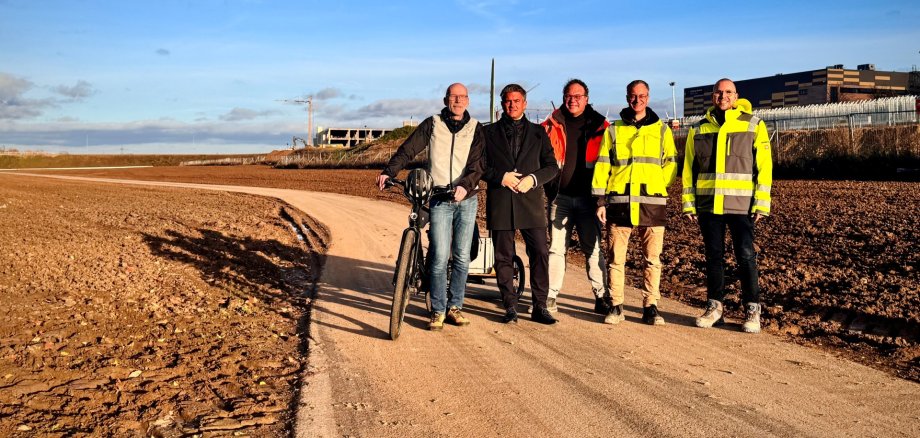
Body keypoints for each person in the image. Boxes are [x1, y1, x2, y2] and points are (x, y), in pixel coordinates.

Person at [377, 83, 484, 331]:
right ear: (446, 99)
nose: (457, 101)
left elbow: (479, 164)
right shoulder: (432, 123)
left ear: (467, 100)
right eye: (453, 97)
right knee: (437, 257)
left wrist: (465, 186)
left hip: (466, 199)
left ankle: (455, 307)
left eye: (462, 97)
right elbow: (408, 149)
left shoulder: (475, 129)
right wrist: (389, 171)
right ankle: (437, 310)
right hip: (439, 199)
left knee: (461, 257)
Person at [682, 78, 773, 334]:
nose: (723, 96)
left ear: (736, 96)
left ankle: (753, 310)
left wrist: (761, 203)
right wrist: (689, 204)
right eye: (719, 92)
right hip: (709, 206)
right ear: (713, 96)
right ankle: (715, 308)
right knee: (713, 258)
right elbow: (689, 169)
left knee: (746, 257)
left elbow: (764, 167)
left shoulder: (754, 125)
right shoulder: (698, 129)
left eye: (728, 92)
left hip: (741, 207)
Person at [592, 80, 677, 325]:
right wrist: (600, 201)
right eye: (633, 95)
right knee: (616, 259)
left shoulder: (662, 130)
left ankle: (651, 306)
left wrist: (657, 186)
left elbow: (670, 163)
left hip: (652, 203)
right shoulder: (614, 129)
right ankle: (616, 305)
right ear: (627, 97)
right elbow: (603, 165)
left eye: (642, 95)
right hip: (619, 203)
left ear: (648, 98)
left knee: (652, 259)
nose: (637, 100)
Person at [482, 83, 560, 325]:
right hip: (501, 203)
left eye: (517, 101)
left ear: (524, 103)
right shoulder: (488, 133)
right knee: (503, 256)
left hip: (531, 203)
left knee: (539, 253)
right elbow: (480, 166)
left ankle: (540, 306)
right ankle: (510, 306)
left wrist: (533, 180)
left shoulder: (539, 133)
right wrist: (500, 177)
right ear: (502, 103)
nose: (512, 104)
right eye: (507, 100)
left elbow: (552, 167)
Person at [541, 79, 611, 315]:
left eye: (578, 96)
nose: (573, 100)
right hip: (559, 199)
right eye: (569, 96)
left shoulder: (602, 126)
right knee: (556, 249)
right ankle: (550, 296)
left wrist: (603, 199)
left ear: (586, 98)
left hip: (589, 200)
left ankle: (602, 297)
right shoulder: (549, 126)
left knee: (593, 249)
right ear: (563, 97)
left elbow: (611, 162)